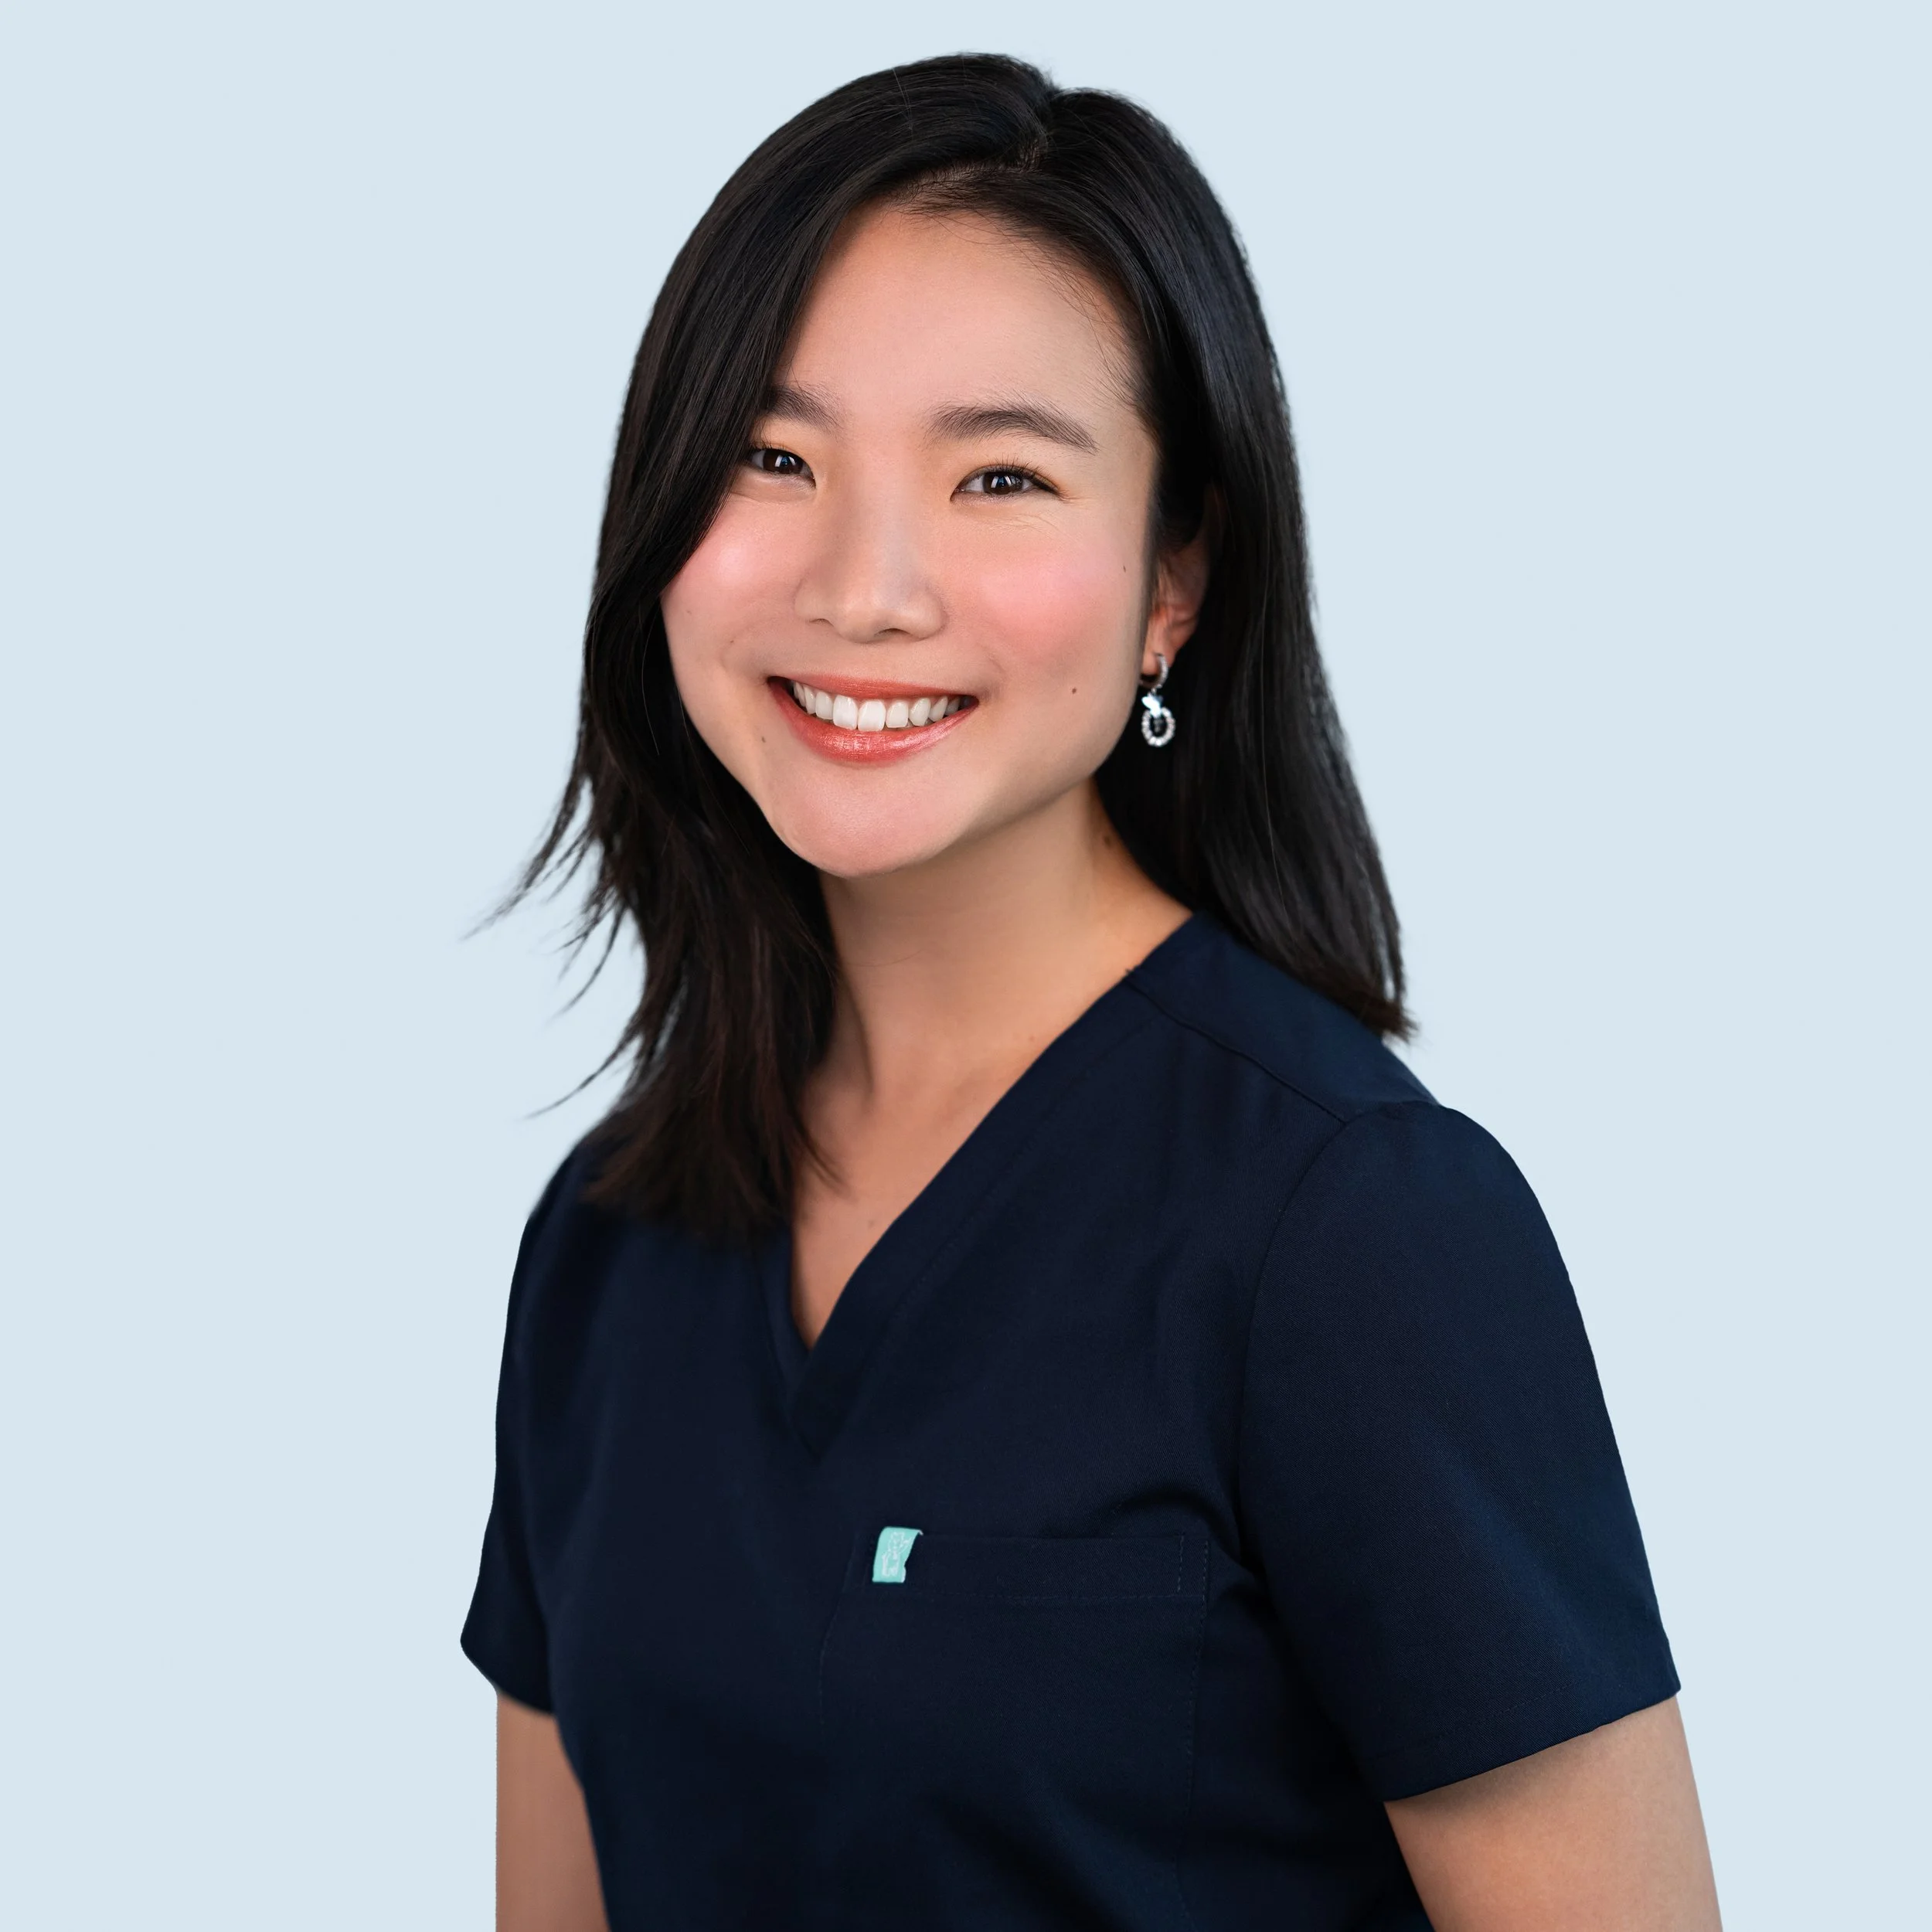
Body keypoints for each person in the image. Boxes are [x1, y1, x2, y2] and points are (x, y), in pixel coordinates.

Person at [461, 53, 1721, 1931]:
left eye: (997, 476)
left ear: (1172, 585)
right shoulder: (606, 1244)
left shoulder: (1354, 1234)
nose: (865, 585)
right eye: (770, 454)